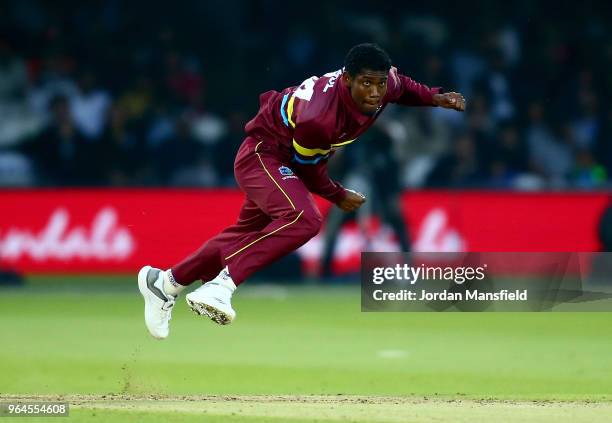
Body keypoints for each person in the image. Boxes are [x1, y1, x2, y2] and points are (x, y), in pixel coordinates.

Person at [137, 43, 466, 339]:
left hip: (289, 159)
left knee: (246, 233)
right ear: (347, 79)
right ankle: (222, 286)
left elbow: (402, 86)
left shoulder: (383, 83)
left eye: (380, 84)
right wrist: (338, 194)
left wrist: (434, 96)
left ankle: (165, 283)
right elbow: (309, 170)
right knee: (304, 219)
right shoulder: (318, 118)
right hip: (264, 154)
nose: (375, 93)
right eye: (366, 83)